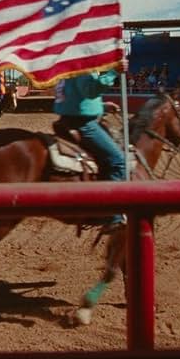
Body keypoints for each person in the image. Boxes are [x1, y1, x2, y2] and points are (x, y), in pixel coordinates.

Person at [53, 58, 129, 231]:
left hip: (67, 118)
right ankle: (114, 215)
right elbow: (90, 89)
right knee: (119, 160)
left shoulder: (68, 64)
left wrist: (101, 106)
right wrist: (114, 72)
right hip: (83, 123)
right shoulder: (83, 65)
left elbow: (75, 97)